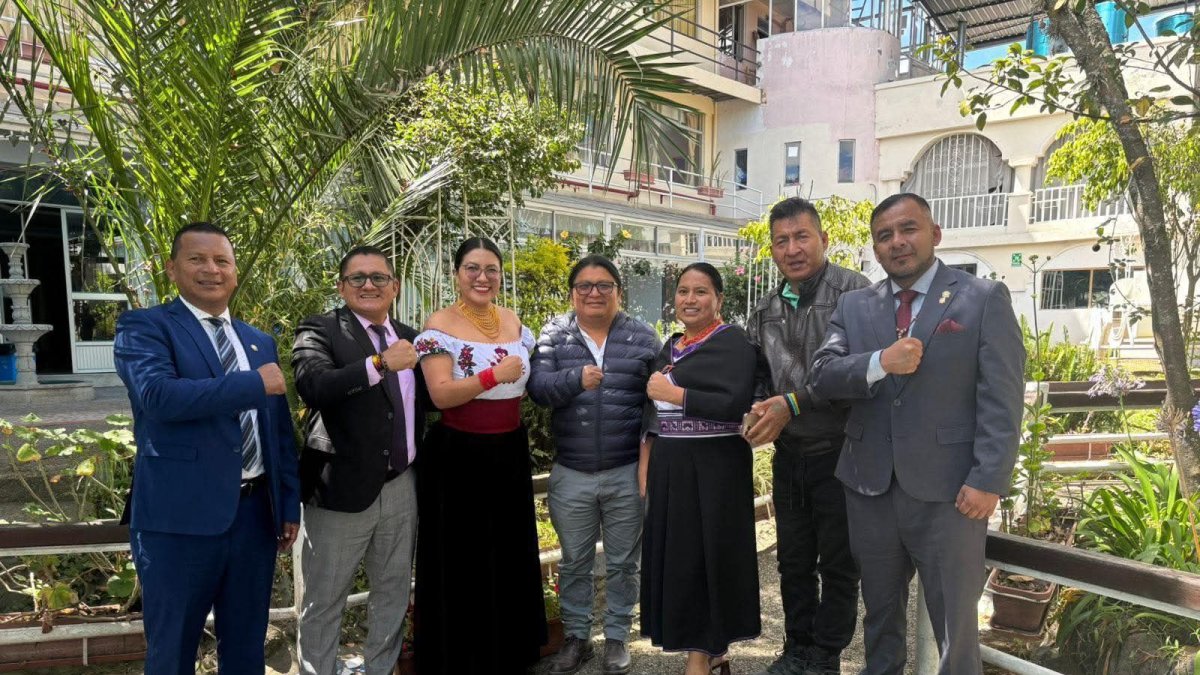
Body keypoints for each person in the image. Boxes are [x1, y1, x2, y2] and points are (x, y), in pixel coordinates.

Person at [810, 193, 1025, 675]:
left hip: (952, 494)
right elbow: (821, 376)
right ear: (875, 248)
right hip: (869, 488)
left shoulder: (981, 297)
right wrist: (878, 362)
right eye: (884, 235)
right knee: (880, 615)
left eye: (908, 229)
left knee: (955, 626)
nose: (897, 242)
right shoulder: (855, 305)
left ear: (935, 234)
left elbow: (1003, 396)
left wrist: (989, 478)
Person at [113, 222, 300, 674]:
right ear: (172, 269)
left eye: (222, 261)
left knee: (245, 645)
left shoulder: (260, 341)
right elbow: (158, 397)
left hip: (255, 517)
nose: (211, 270)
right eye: (197, 259)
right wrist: (253, 383)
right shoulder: (145, 326)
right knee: (172, 648)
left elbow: (277, 434)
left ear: (235, 273)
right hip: (178, 520)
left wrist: (288, 504)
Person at [744, 198, 870, 675]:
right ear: (772, 250)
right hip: (789, 453)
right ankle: (796, 647)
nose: (792, 248)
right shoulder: (767, 306)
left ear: (823, 239)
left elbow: (858, 374)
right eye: (782, 241)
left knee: (839, 563)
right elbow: (758, 371)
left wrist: (794, 402)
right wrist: (755, 407)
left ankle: (825, 654)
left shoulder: (855, 295)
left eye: (802, 237)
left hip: (842, 450)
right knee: (793, 560)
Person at [291, 245, 429, 674]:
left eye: (378, 278)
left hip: (401, 485)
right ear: (341, 286)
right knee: (324, 597)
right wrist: (379, 363)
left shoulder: (411, 335)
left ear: (395, 287)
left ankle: (381, 669)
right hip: (340, 489)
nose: (369, 285)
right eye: (357, 278)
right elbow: (312, 385)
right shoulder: (320, 329)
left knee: (392, 591)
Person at [412, 237, 546, 673]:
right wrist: (491, 374)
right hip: (459, 457)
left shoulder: (512, 320)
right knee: (462, 560)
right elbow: (441, 394)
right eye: (472, 268)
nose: (482, 277)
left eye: (491, 269)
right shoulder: (439, 323)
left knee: (508, 554)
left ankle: (508, 653)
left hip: (509, 449)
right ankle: (461, 659)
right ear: (456, 274)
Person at [528, 254, 659, 675]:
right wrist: (576, 379)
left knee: (624, 561)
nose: (594, 293)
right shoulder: (554, 334)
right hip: (572, 471)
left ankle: (618, 637)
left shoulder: (642, 338)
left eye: (604, 285)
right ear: (572, 293)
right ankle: (577, 637)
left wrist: (646, 460)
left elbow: (658, 402)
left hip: (625, 470)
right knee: (574, 561)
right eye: (584, 286)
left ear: (619, 292)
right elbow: (538, 389)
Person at [641, 262, 763, 675]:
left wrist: (677, 393)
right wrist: (646, 468)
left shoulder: (734, 344)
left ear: (719, 300)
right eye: (683, 291)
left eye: (701, 292)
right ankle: (715, 653)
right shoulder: (670, 346)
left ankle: (701, 654)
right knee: (681, 559)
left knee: (710, 557)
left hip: (716, 469)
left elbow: (735, 402)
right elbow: (652, 416)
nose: (690, 300)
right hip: (671, 467)